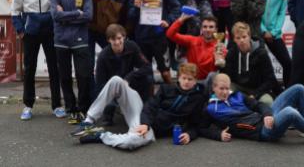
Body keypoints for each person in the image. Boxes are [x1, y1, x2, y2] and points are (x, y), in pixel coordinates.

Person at [71, 63, 206, 149]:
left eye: (190, 79)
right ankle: (88, 121)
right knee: (116, 80)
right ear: (179, 78)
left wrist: (189, 134)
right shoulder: (166, 88)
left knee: (131, 142)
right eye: (184, 78)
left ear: (195, 81)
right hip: (142, 114)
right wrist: (145, 123)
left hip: (153, 130)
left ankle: (100, 135)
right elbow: (150, 106)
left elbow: (196, 124)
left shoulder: (197, 99)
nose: (186, 82)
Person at [199, 74, 304, 143]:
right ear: (213, 88)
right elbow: (201, 128)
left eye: (226, 88)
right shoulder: (211, 108)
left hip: (266, 119)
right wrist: (218, 135)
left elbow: (258, 105)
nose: (224, 92)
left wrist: (267, 114)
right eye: (221, 89)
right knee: (290, 112)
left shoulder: (237, 95)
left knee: (298, 88)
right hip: (262, 132)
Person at [11, 0, 65, 120]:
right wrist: (21, 30)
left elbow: (60, 7)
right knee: (29, 70)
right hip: (31, 33)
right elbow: (15, 10)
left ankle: (57, 105)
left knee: (54, 69)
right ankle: (28, 105)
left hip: (50, 32)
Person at [50, 0, 93, 123]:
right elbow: (55, 16)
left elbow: (88, 16)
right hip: (61, 41)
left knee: (83, 76)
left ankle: (83, 108)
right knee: (65, 77)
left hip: (80, 40)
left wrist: (65, 16)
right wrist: (76, 13)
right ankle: (71, 107)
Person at [85, 0, 133, 96]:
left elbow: (125, 15)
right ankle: (92, 99)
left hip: (108, 31)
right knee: (88, 66)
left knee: (115, 62)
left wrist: (124, 34)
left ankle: (111, 95)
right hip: (89, 28)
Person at [129, 0, 180, 84]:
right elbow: (130, 16)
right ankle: (149, 100)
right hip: (141, 37)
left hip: (159, 36)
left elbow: (176, 7)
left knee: (165, 71)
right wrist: (135, 7)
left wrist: (168, 21)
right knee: (146, 72)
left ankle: (172, 97)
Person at [92, 24, 153, 125]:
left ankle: (146, 109)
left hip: (129, 81)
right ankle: (108, 115)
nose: (117, 42)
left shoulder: (132, 46)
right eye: (113, 39)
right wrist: (113, 91)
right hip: (112, 85)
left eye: (119, 38)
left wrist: (129, 78)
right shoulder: (103, 56)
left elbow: (147, 67)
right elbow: (100, 83)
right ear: (108, 40)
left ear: (124, 37)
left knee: (148, 78)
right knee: (104, 92)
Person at [222, 22, 282, 104]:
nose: (242, 40)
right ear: (234, 39)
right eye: (238, 38)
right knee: (223, 92)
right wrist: (221, 64)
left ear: (249, 36)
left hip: (258, 89)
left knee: (267, 102)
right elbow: (227, 76)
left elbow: (270, 80)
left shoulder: (261, 53)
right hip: (238, 87)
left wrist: (255, 94)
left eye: (244, 37)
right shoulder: (231, 53)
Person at [259, 0, 292, 88]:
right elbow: (255, 12)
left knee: (288, 63)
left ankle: (288, 90)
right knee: (262, 65)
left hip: (274, 34)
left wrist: (273, 32)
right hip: (259, 32)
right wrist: (263, 30)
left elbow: (281, 13)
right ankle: (267, 90)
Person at [166, 14, 222, 81]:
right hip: (192, 80)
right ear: (201, 29)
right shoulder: (192, 40)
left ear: (216, 30)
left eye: (211, 27)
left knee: (212, 75)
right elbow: (170, 34)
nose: (208, 30)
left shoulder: (219, 46)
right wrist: (180, 20)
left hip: (209, 83)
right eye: (205, 27)